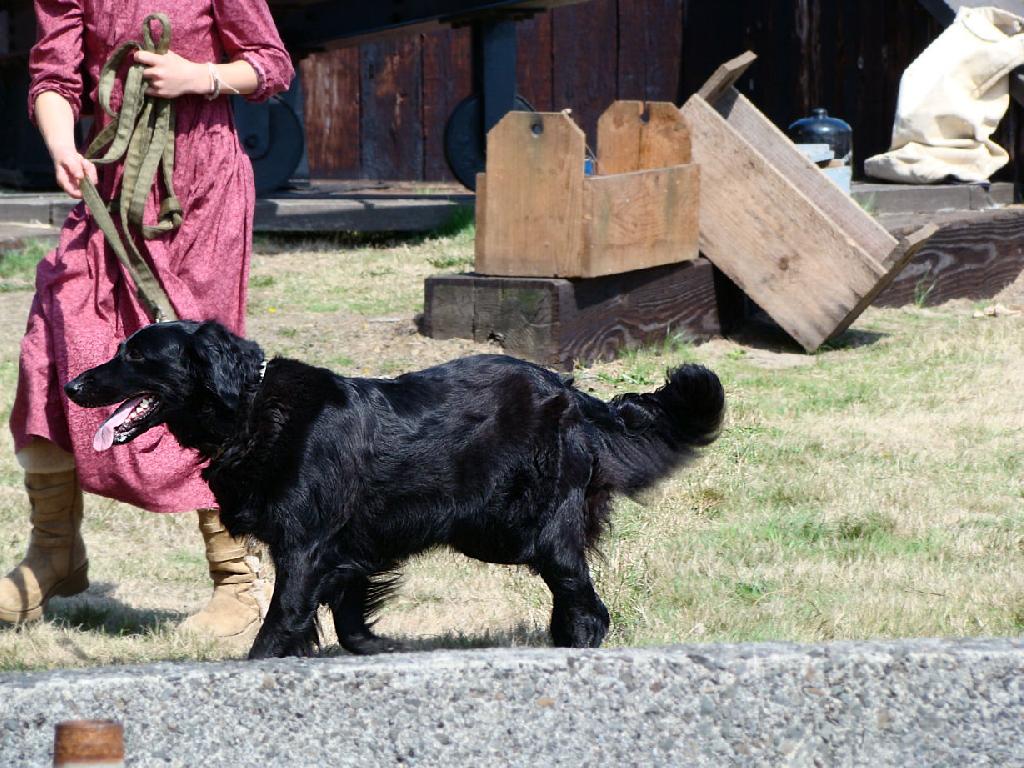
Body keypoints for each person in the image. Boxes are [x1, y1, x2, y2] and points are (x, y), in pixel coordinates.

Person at [0, 0, 294, 640]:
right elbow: (53, 80)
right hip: (110, 187)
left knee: (206, 375)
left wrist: (201, 76)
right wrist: (62, 145)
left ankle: (236, 580)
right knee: (49, 348)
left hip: (201, 190)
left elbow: (271, 67)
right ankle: (54, 552)